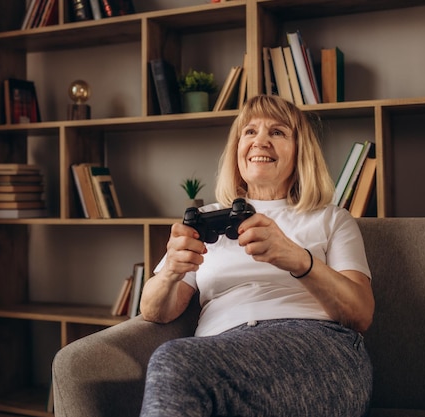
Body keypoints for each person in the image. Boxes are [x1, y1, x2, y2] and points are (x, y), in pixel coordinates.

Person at [138, 94, 375, 417]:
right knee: (181, 367)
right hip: (222, 354)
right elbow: (154, 311)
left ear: (300, 151)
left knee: (173, 361)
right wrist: (170, 273)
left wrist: (298, 260)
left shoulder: (331, 218)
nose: (260, 141)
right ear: (237, 148)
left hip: (319, 349)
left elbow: (360, 313)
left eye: (277, 132)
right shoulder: (207, 218)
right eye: (249, 132)